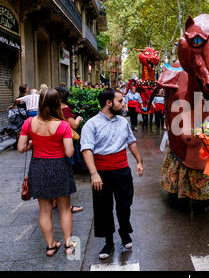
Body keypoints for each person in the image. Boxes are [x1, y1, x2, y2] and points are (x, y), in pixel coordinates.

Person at [80, 88, 144, 260]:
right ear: (109, 103)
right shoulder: (91, 124)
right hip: (101, 173)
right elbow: (86, 149)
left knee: (124, 204)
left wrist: (138, 161)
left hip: (122, 170)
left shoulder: (123, 122)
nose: (123, 104)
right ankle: (108, 242)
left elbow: (131, 142)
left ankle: (124, 232)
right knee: (103, 208)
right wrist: (93, 174)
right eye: (120, 101)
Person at [17, 89, 77, 256]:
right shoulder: (63, 125)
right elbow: (69, 153)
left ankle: (51, 246)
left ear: (40, 103)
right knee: (64, 209)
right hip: (59, 167)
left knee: (44, 209)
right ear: (58, 104)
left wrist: (32, 143)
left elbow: (21, 148)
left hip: (38, 167)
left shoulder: (29, 122)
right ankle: (68, 245)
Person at [55, 86, 84, 213]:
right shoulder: (64, 108)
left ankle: (55, 201)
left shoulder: (49, 108)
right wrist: (78, 119)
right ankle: (66, 205)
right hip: (66, 141)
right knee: (66, 172)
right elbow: (74, 125)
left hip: (53, 143)